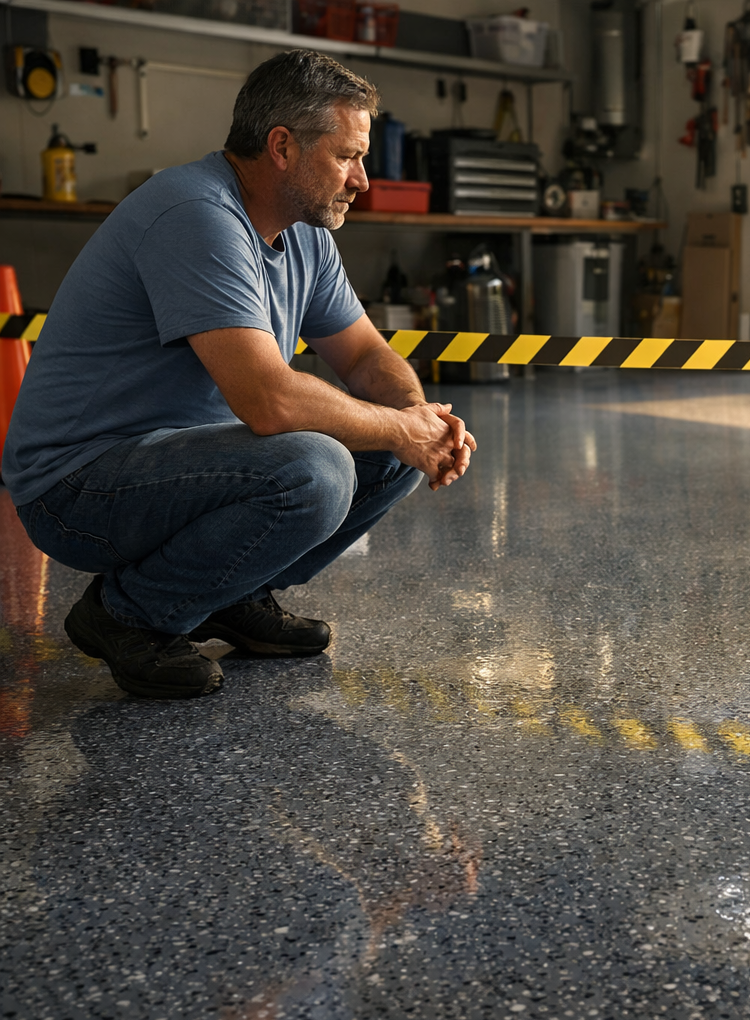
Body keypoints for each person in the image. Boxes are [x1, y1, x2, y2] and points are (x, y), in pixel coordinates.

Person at [0, 50, 474, 700]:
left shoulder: (307, 235)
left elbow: (365, 359)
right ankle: (127, 613)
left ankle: (230, 593)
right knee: (319, 468)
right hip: (77, 486)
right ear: (281, 146)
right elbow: (267, 401)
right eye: (347, 157)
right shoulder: (196, 213)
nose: (362, 179)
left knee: (392, 453)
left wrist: (421, 420)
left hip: (181, 464)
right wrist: (401, 428)